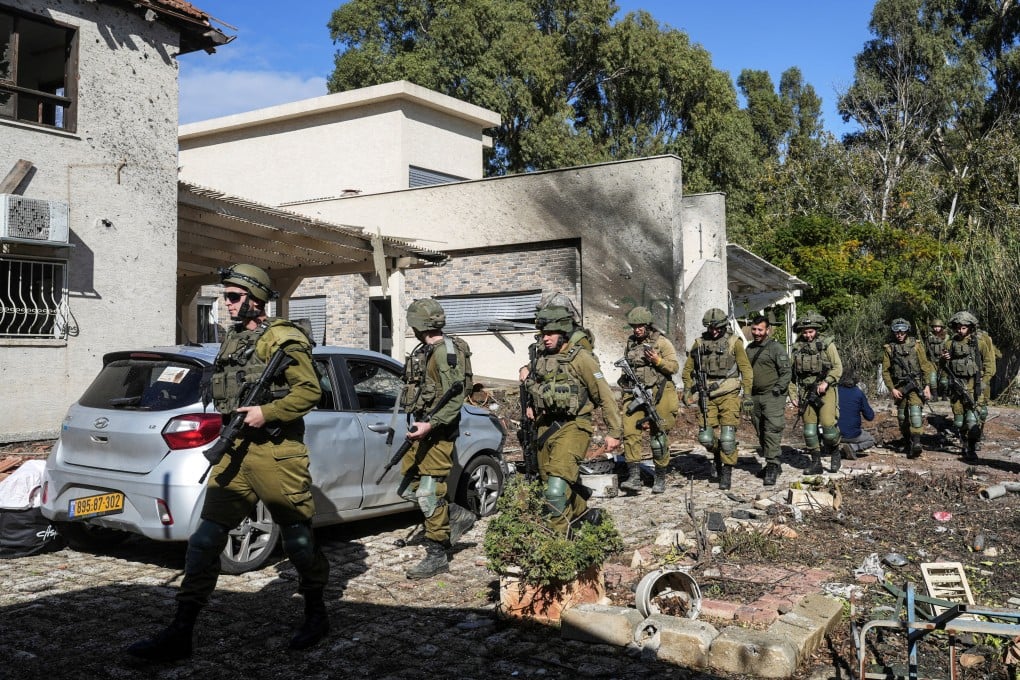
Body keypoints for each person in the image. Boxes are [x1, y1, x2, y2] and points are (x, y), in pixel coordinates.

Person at [127, 264, 329, 661]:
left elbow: (310, 392)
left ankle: (316, 612)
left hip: (276, 453)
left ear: (257, 299)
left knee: (298, 539)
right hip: (234, 450)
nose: (227, 304)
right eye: (226, 297)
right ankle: (181, 630)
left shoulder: (283, 338)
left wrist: (267, 412)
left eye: (234, 297)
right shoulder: (234, 339)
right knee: (204, 540)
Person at [524, 303, 622, 535]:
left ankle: (557, 542)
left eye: (551, 333)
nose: (545, 338)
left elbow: (604, 395)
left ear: (564, 332)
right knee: (549, 483)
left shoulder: (581, 359)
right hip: (545, 426)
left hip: (574, 426)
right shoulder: (541, 357)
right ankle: (583, 514)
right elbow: (538, 385)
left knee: (555, 490)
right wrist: (530, 400)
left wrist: (614, 432)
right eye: (543, 333)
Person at [399, 298, 477, 579]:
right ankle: (457, 515)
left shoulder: (445, 353)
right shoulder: (427, 350)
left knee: (428, 494)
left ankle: (437, 554)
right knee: (408, 488)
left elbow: (455, 399)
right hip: (422, 431)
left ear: (417, 325)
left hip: (438, 433)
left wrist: (430, 425)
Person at [682, 308, 753, 490]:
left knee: (728, 438)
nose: (714, 331)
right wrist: (687, 389)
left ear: (724, 326)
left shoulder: (734, 342)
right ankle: (718, 455)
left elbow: (746, 370)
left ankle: (726, 471)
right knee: (705, 438)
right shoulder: (699, 343)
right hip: (707, 395)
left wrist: (747, 395)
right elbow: (688, 369)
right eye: (711, 328)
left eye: (717, 328)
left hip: (729, 393)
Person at [617, 306, 680, 495]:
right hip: (635, 393)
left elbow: (674, 367)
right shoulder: (631, 343)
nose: (637, 330)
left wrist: (658, 361)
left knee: (658, 436)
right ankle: (634, 478)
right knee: (630, 433)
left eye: (640, 326)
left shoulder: (662, 343)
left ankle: (660, 477)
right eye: (634, 327)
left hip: (659, 392)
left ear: (648, 325)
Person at [789, 313, 843, 474]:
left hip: (826, 391)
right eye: (805, 332)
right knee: (809, 431)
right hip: (806, 392)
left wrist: (826, 382)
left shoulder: (827, 345)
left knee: (828, 427)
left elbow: (837, 367)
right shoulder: (797, 348)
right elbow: (790, 375)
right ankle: (816, 463)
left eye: (811, 331)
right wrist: (793, 394)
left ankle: (835, 452)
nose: (808, 335)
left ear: (816, 330)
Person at [940, 311, 997, 462]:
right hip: (957, 387)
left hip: (974, 386)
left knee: (972, 420)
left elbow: (990, 365)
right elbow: (943, 367)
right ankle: (964, 443)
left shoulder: (980, 343)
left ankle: (971, 448)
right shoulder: (950, 344)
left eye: (964, 328)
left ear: (970, 328)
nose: (960, 330)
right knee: (959, 421)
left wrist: (983, 383)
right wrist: (944, 359)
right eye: (958, 327)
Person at [745, 313, 791, 486]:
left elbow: (786, 371)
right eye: (754, 329)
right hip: (754, 396)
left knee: (772, 429)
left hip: (773, 395)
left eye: (760, 330)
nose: (757, 333)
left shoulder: (775, 348)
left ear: (768, 330)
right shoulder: (749, 349)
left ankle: (772, 464)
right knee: (760, 430)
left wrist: (778, 388)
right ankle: (772, 462)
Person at [881, 318, 935, 458]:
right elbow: (885, 371)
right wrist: (892, 389)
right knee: (902, 417)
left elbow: (925, 366)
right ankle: (907, 442)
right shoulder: (889, 349)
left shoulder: (916, 346)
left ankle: (916, 442)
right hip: (899, 387)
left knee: (915, 413)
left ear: (907, 332)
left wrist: (927, 386)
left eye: (902, 332)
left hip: (915, 384)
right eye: (897, 332)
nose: (899, 335)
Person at [836, 368, 876, 457]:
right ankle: (853, 447)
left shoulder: (835, 392)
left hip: (835, 433)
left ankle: (833, 448)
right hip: (853, 435)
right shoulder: (858, 393)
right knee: (871, 440)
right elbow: (870, 416)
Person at [924, 318, 949, 400]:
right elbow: (926, 350)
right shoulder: (928, 337)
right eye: (935, 327)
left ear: (942, 327)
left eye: (938, 326)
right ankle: (935, 395)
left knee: (944, 380)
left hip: (943, 361)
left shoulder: (947, 337)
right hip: (932, 360)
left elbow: (950, 348)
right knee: (932, 378)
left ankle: (944, 395)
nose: (936, 328)